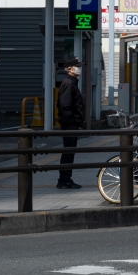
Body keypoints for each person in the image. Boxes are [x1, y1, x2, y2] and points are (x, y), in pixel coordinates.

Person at [54, 57, 87, 189]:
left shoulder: (71, 82)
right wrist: (73, 120)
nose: (79, 68)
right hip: (69, 124)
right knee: (68, 152)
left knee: (69, 152)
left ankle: (65, 179)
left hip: (70, 123)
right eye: (77, 66)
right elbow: (65, 105)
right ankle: (64, 180)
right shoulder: (69, 83)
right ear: (69, 68)